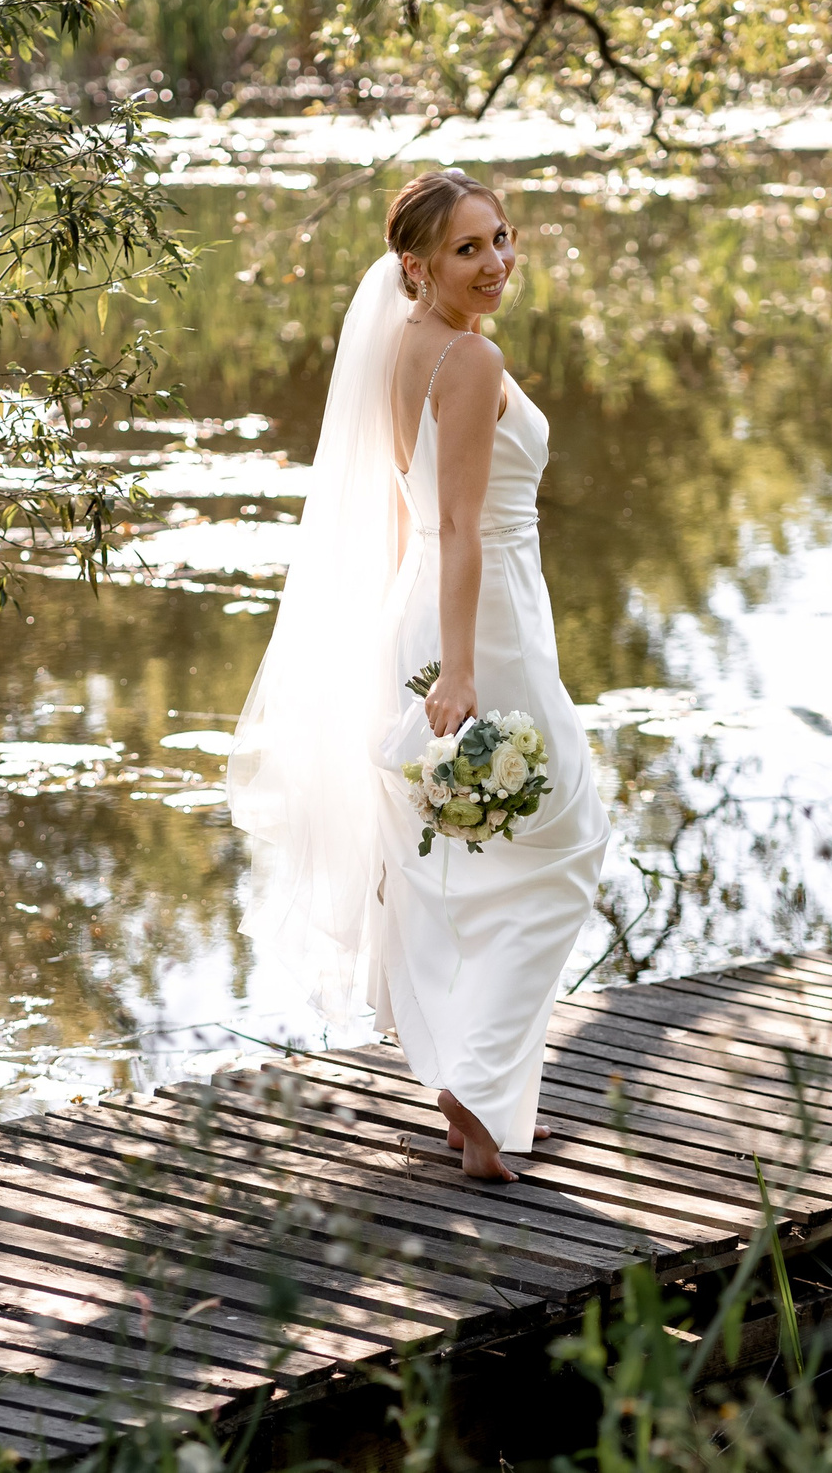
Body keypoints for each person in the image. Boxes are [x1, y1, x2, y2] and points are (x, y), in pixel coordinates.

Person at [229, 169, 610, 1182]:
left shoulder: (400, 348)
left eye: (500, 240)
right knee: (569, 838)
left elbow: (407, 512)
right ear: (417, 265)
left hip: (422, 612)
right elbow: (458, 528)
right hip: (481, 621)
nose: (495, 264)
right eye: (467, 250)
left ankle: (465, 1087)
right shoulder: (470, 360)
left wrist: (406, 647)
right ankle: (476, 1091)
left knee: (452, 859)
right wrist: (462, 671)